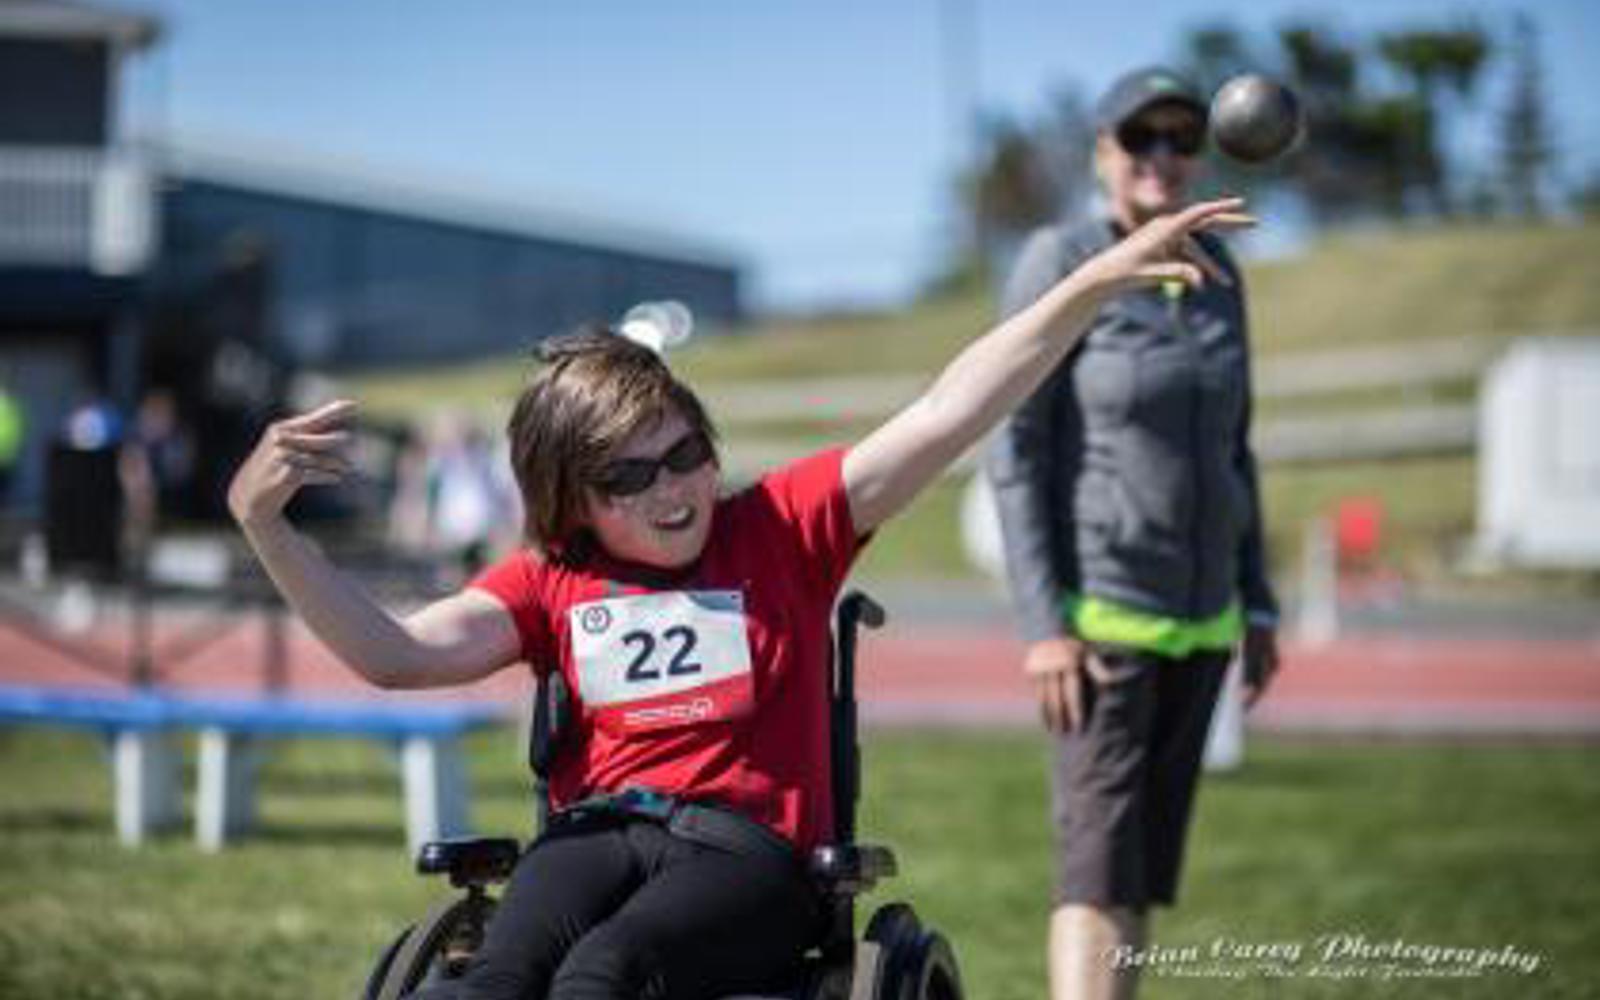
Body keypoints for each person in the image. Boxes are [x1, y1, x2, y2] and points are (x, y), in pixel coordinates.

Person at [226, 196, 1250, 1000]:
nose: (673, 488)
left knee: (603, 977)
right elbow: (397, 654)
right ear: (571, 502)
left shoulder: (785, 523)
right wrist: (268, 526)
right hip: (589, 834)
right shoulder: (551, 577)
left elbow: (948, 410)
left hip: (746, 857)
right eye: (628, 477)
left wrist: (1093, 283)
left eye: (684, 454)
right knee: (497, 977)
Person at [983, 68, 1282, 1000]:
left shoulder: (1221, 269)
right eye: (1140, 137)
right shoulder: (1061, 254)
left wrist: (1259, 601)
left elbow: (1236, 448)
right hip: (1101, 618)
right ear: (1102, 151)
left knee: (1141, 877)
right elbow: (1014, 445)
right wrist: (1043, 626)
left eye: (1181, 138)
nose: (1163, 155)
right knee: (1095, 874)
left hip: (1202, 622)